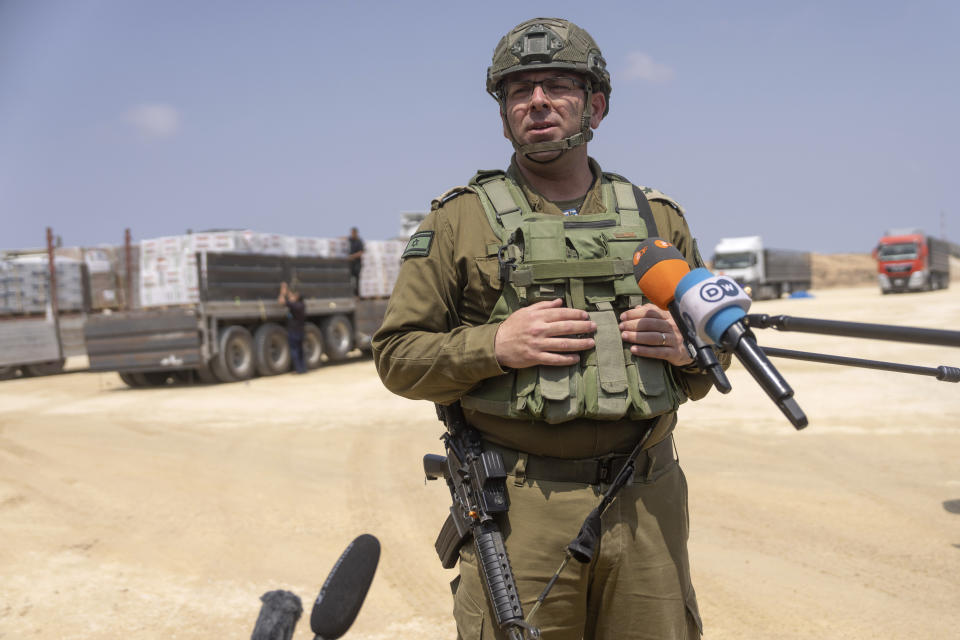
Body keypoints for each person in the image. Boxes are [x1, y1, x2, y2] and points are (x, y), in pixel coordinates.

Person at [373, 17, 728, 640]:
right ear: (504, 111)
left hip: (648, 498)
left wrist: (686, 349)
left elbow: (711, 359)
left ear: (596, 104)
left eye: (557, 85)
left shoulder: (656, 218)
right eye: (519, 90)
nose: (536, 101)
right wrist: (495, 346)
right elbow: (398, 356)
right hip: (522, 509)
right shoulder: (459, 221)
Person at [278, 282, 307, 374]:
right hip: (301, 331)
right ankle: (303, 368)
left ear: (297, 297)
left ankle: (298, 369)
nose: (292, 297)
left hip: (294, 332)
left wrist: (282, 292)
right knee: (300, 350)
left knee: (294, 351)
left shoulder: (294, 306)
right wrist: (288, 290)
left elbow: (281, 301)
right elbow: (291, 297)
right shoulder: (301, 305)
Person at [347, 227, 364, 295]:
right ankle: (351, 294)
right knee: (350, 279)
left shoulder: (359, 241)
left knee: (357, 280)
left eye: (353, 233)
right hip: (350, 264)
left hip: (357, 264)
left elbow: (361, 252)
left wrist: (352, 256)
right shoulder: (350, 240)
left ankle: (357, 295)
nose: (352, 234)